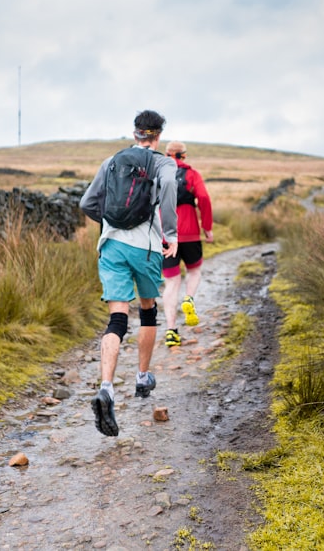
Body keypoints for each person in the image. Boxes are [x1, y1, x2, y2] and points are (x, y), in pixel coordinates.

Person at [79, 110, 179, 437]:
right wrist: (172, 233)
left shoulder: (111, 160)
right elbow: (166, 190)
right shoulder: (163, 163)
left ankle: (106, 387)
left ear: (135, 132)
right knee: (147, 307)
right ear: (158, 135)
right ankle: (141, 377)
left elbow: (87, 203)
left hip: (110, 245)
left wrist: (111, 222)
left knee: (117, 317)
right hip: (145, 246)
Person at [161, 141, 213, 347]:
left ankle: (171, 331)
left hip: (166, 235)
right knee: (194, 271)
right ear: (184, 155)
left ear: (167, 155)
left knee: (171, 283)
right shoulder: (192, 174)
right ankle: (189, 298)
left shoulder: (159, 175)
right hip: (190, 231)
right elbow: (204, 198)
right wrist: (207, 227)